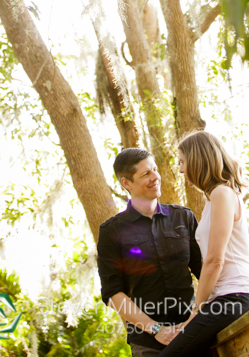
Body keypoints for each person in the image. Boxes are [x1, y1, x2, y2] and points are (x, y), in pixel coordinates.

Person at [156, 130, 249, 357]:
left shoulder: (222, 193)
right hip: (226, 299)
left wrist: (196, 311)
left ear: (198, 159)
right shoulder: (214, 199)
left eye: (183, 162)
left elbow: (215, 260)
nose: (181, 169)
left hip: (234, 298)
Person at [97, 148, 202, 357]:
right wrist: (157, 329)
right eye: (146, 174)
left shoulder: (184, 218)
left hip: (194, 333)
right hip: (148, 344)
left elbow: (207, 267)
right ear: (126, 183)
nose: (156, 177)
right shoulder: (111, 231)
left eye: (154, 170)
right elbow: (113, 292)